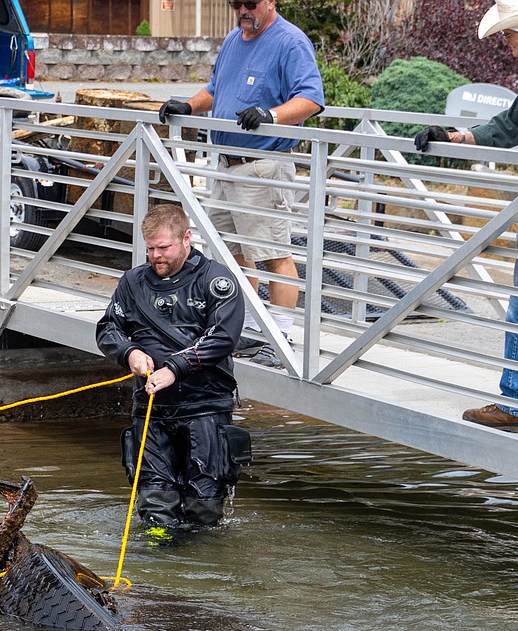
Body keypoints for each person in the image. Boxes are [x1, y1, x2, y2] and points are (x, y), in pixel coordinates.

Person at [414, 0, 518, 444]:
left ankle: (516, 404)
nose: (507, 45)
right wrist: (453, 137)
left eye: (510, 35)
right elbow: (510, 125)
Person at [158, 0, 324, 369]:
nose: (242, 10)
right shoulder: (235, 38)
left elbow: (311, 98)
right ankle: (249, 329)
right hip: (225, 166)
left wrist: (272, 114)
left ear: (270, 2)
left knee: (273, 254)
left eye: (250, 4)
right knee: (231, 253)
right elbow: (218, 88)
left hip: (262, 166)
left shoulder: (289, 42)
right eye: (237, 4)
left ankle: (279, 338)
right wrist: (188, 106)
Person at [96, 203, 251, 540]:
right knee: (155, 504)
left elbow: (223, 338)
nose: (156, 256)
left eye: (163, 248)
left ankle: (200, 568)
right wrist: (130, 352)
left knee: (204, 505)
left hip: (206, 406)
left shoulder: (216, 281)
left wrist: (175, 368)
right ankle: (157, 566)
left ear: (186, 239)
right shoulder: (133, 282)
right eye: (150, 248)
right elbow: (109, 329)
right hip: (153, 409)